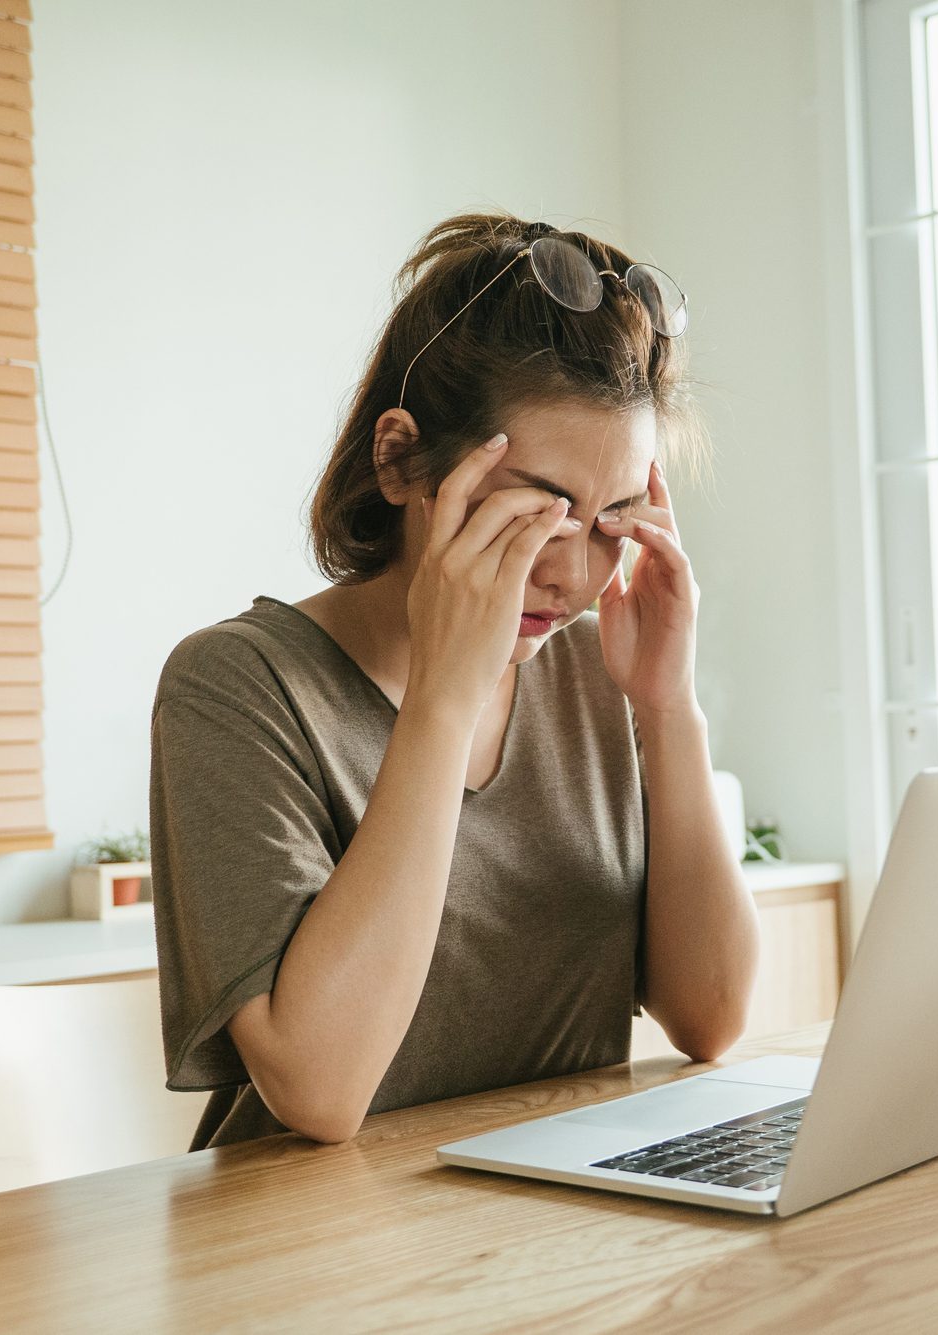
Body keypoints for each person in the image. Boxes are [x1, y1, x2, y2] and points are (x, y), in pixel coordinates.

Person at [149, 213, 759, 1150]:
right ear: (400, 459)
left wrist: (670, 708)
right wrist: (443, 695)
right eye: (538, 512)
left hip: (550, 1209)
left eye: (614, 520)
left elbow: (710, 1016)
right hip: (309, 1227)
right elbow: (319, 1089)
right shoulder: (236, 684)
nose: (574, 576)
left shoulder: (600, 672)